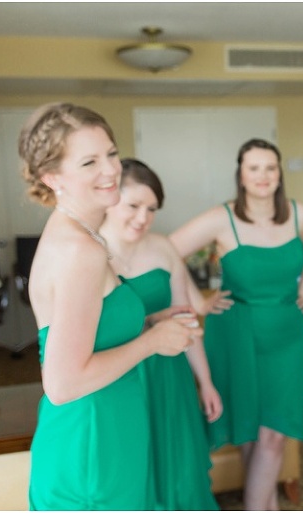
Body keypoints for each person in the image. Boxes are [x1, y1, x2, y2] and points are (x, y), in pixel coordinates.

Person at [19, 103, 200, 510]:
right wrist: (153, 341)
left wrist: (152, 320)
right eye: (89, 162)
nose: (110, 170)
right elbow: (62, 385)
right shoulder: (80, 250)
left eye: (111, 154)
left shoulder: (82, 234)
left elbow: (91, 326)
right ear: (53, 177)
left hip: (112, 431)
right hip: (91, 445)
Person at [170, 138, 303, 510]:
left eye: (270, 167)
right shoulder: (222, 218)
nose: (263, 176)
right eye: (254, 168)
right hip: (234, 333)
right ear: (240, 174)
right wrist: (199, 301)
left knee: (274, 434)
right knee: (250, 435)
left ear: (279, 173)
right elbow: (168, 251)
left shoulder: (298, 214)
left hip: (287, 335)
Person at [100, 158, 232, 510]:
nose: (142, 218)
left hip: (170, 376)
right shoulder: (91, 253)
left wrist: (204, 381)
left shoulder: (162, 248)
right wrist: (151, 322)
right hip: (122, 375)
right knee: (133, 470)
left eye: (152, 209)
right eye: (134, 206)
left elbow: (186, 320)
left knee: (179, 470)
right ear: (111, 198)